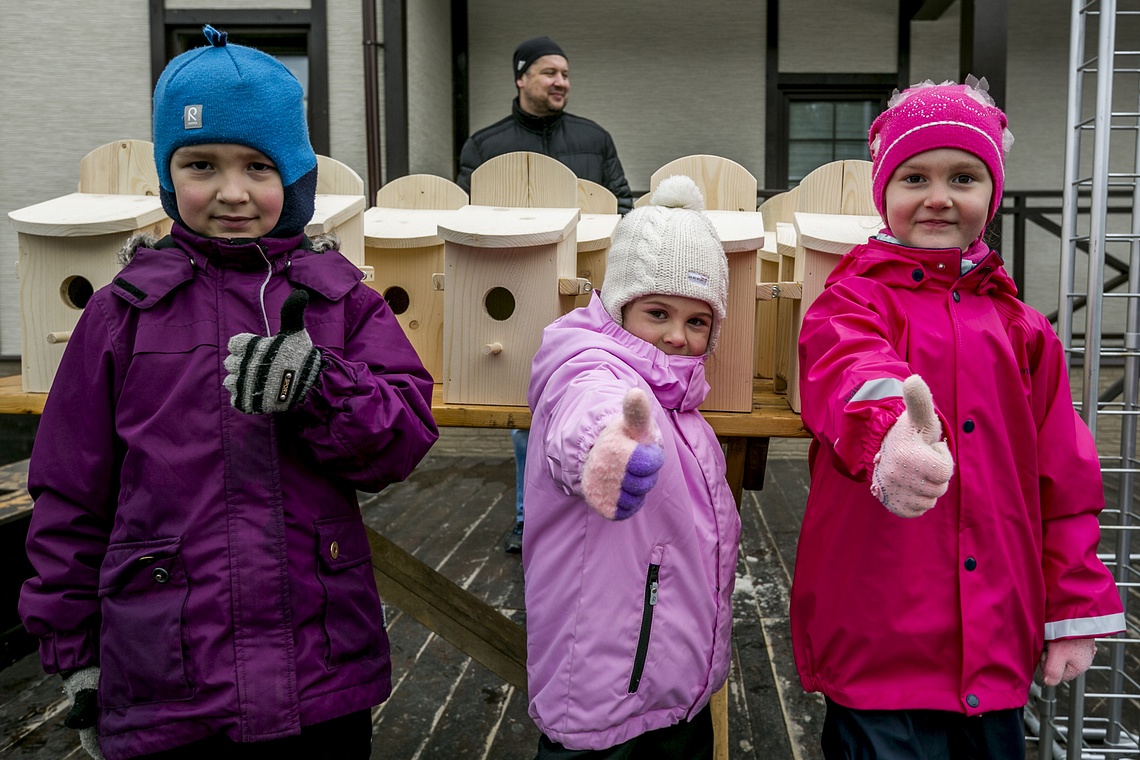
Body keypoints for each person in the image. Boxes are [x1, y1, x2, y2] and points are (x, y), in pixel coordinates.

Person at [18, 25, 438, 760]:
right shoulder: (122, 314)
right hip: (166, 674)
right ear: (168, 176)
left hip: (319, 672)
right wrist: (74, 653)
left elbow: (402, 437)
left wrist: (320, 389)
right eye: (202, 165)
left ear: (296, 176)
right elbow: (70, 495)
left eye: (258, 165)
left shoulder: (340, 299)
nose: (233, 192)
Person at [792, 77, 1126, 759]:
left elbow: (1062, 480)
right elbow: (848, 366)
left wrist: (1070, 607)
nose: (939, 196)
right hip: (877, 642)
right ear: (884, 192)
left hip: (995, 644)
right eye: (915, 175)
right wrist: (889, 433)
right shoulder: (851, 301)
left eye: (964, 176)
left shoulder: (1024, 329)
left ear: (991, 195)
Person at [522, 175, 739, 758]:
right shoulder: (594, 368)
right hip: (604, 701)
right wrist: (604, 448)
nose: (677, 336)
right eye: (658, 312)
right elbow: (587, 410)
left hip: (671, 694)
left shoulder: (679, 402)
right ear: (619, 306)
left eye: (698, 322)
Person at [459, 35, 633, 554]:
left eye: (565, 74)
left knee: (593, 397)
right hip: (520, 293)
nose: (561, 82)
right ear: (520, 78)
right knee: (526, 409)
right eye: (548, 72)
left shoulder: (594, 138)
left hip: (587, 293)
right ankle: (526, 515)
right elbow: (467, 221)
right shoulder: (485, 145)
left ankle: (595, 512)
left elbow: (621, 205)